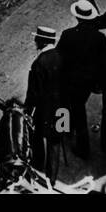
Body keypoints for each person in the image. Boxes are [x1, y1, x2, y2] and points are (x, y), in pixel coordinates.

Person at [56, 0, 106, 160]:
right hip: (86, 82)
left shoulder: (67, 34)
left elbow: (59, 58)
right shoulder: (99, 38)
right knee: (78, 108)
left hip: (68, 79)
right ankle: (77, 141)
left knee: (64, 106)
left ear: (77, 18)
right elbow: (103, 62)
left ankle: (66, 133)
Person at [24, 26, 63, 183]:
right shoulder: (63, 57)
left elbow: (34, 93)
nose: (35, 42)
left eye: (37, 39)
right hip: (63, 110)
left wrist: (28, 110)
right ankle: (51, 179)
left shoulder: (39, 62)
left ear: (42, 41)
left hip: (43, 111)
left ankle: (37, 169)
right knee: (56, 141)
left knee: (37, 137)